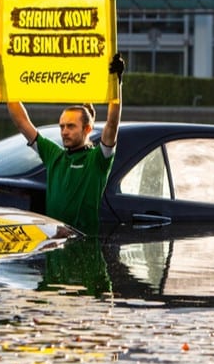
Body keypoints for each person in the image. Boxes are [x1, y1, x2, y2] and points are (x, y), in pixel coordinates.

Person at [7, 53, 125, 235]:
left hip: (85, 248)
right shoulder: (54, 154)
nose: (64, 131)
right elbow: (22, 122)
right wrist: (6, 78)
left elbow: (112, 123)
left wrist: (117, 82)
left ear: (87, 129)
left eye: (71, 126)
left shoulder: (98, 160)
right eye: (62, 126)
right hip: (54, 246)